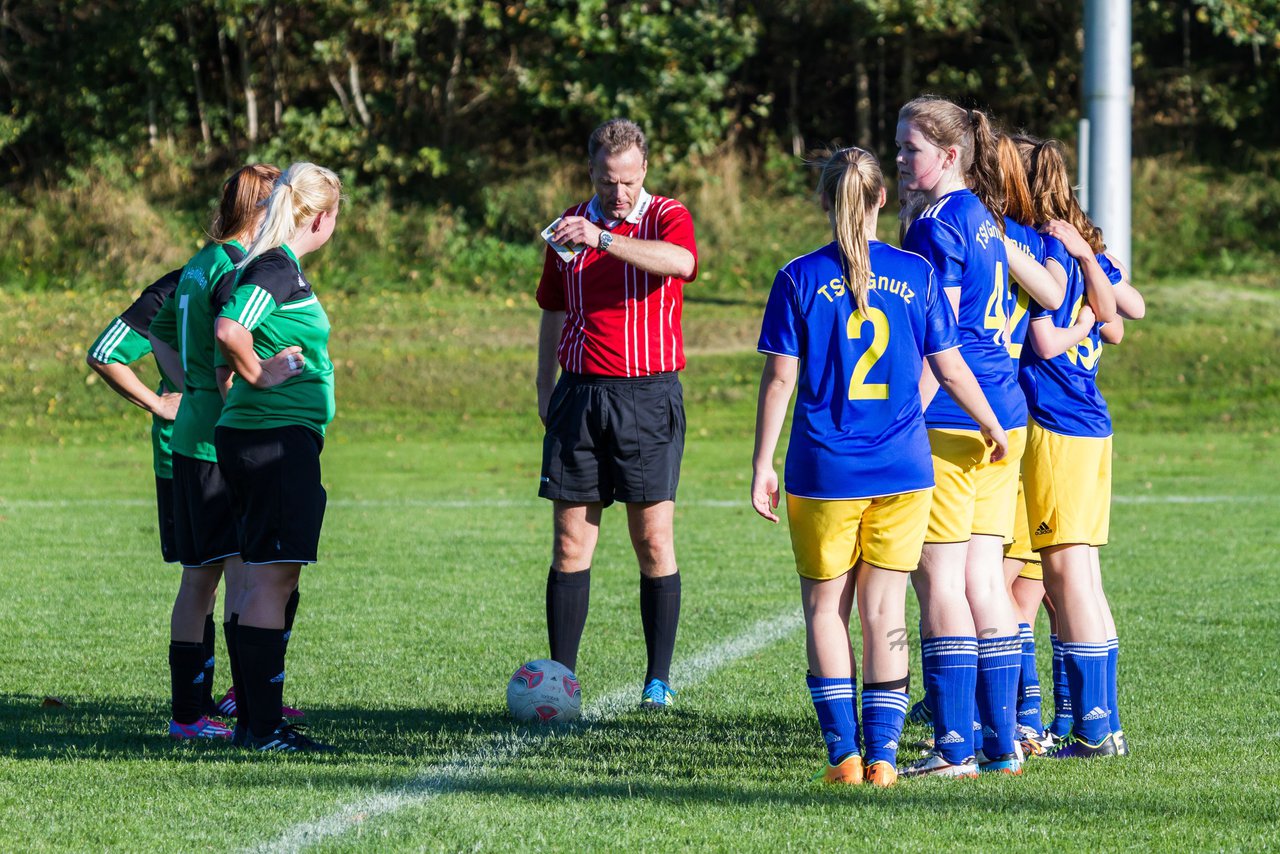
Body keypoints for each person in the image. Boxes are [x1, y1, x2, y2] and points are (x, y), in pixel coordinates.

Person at [751, 146, 1007, 787]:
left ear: (823, 201)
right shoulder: (916, 273)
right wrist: (992, 424)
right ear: (881, 201)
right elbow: (949, 366)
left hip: (824, 473)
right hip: (903, 470)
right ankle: (886, 758)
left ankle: (843, 756)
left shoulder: (798, 277)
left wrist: (761, 462)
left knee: (824, 610)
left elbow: (781, 379)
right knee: (886, 613)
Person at [534, 118, 698, 709]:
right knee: (570, 543)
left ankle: (657, 680)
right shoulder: (567, 225)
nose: (619, 194)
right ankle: (561, 681)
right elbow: (552, 306)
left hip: (647, 397)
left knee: (652, 539)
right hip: (580, 395)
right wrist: (543, 384)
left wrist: (604, 239)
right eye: (608, 182)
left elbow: (679, 263)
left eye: (628, 181)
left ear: (645, 170)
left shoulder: (667, 216)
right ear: (592, 173)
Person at [894, 97, 1030, 777]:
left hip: (954, 417)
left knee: (942, 578)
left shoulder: (934, 227)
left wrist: (904, 421)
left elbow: (935, 341)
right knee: (984, 578)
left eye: (910, 149)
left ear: (950, 156)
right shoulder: (981, 219)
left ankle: (954, 748)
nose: (899, 160)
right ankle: (1001, 744)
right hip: (1003, 411)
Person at [150, 163, 306, 741]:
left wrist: (183, 385)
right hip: (220, 441)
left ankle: (191, 714)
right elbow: (225, 348)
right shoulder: (237, 267)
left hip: (190, 434)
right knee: (245, 578)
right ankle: (235, 709)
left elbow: (161, 331)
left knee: (200, 578)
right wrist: (241, 395)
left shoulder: (198, 262)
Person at [214, 162, 342, 752]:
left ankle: (253, 721)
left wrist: (247, 379)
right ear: (320, 216)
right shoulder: (273, 267)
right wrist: (261, 375)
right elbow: (228, 330)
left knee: (254, 577)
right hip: (273, 442)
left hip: (255, 438)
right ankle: (263, 728)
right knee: (272, 578)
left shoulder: (259, 265)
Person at [1017, 138, 1126, 759]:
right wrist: (1095, 262)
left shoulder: (1043, 247)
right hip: (1086, 422)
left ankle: (1089, 726)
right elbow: (1124, 311)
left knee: (1068, 578)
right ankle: (1096, 722)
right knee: (1080, 575)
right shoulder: (1075, 248)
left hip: (1059, 425)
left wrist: (1077, 320)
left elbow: (1059, 338)